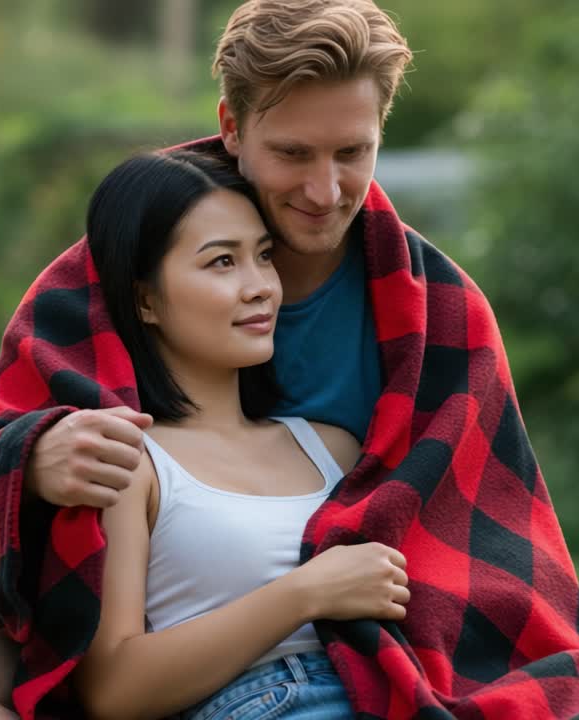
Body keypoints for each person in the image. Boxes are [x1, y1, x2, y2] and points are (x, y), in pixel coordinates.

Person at [0, 2, 579, 719]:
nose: (323, 189)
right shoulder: (109, 273)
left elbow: (481, 537)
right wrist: (35, 458)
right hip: (139, 614)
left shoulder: (439, 314)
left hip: (396, 643)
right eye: (293, 152)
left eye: (354, 151)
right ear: (232, 127)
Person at [67, 149, 407, 719]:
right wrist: (306, 593)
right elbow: (112, 687)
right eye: (222, 262)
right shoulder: (131, 461)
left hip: (383, 694)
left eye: (264, 256)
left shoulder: (333, 447)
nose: (261, 288)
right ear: (145, 299)